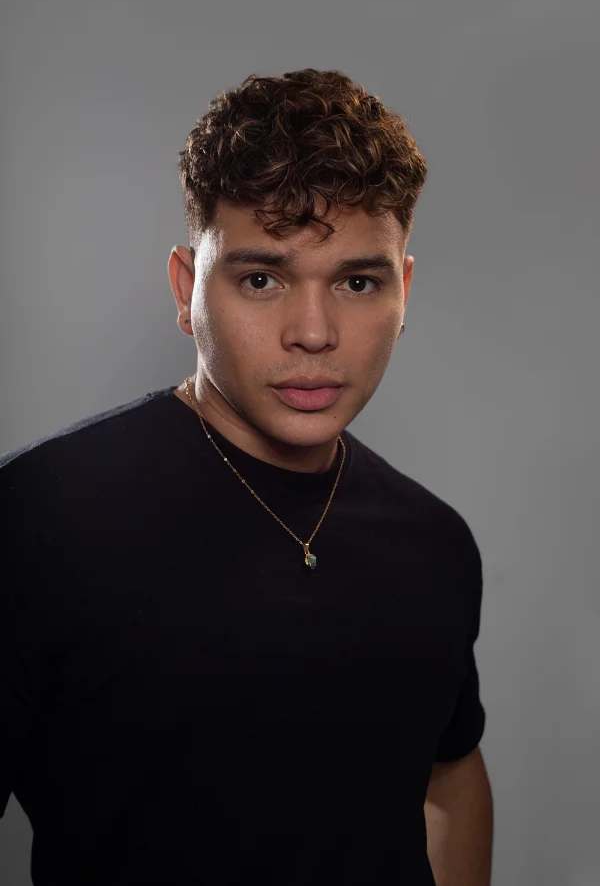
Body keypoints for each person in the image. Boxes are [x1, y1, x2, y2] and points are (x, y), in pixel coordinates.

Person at [0, 68, 493, 885]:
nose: (313, 333)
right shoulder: (40, 519)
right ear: (187, 288)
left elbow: (449, 777)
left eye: (357, 282)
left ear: (402, 292)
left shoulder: (436, 542)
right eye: (261, 279)